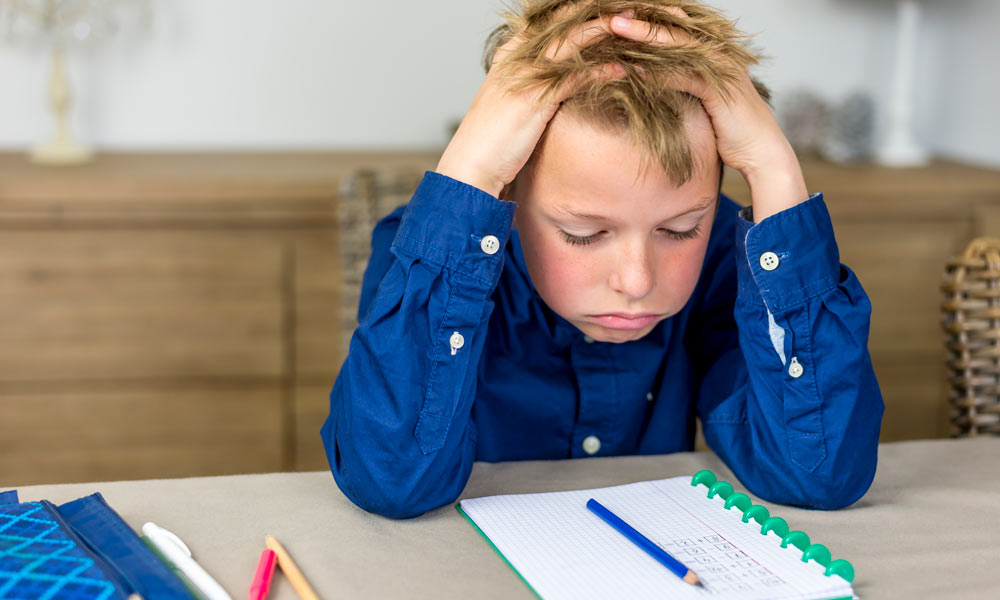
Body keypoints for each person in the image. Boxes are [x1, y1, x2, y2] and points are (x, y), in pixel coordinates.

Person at [321, 0, 884, 519]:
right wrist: (471, 166)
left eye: (679, 228)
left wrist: (774, 168)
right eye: (584, 234)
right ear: (509, 193)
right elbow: (392, 481)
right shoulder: (429, 258)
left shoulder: (729, 263)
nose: (637, 281)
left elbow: (820, 474)